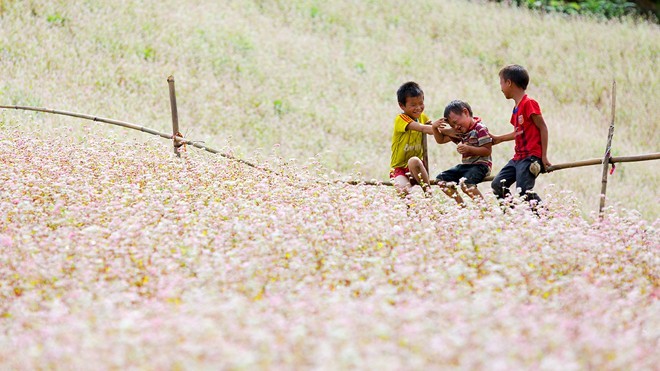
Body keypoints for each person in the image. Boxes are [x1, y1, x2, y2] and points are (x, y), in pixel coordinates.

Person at [490, 64, 551, 207]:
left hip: (530, 157)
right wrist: (499, 139)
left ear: (509, 83)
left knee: (524, 191)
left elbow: (543, 127)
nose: (501, 88)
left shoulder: (529, 103)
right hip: (518, 158)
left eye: (501, 83)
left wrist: (543, 156)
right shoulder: (516, 109)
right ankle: (513, 217)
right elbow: (518, 132)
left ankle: (544, 218)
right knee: (497, 185)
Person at [431, 100, 492, 205]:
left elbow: (487, 151)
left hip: (481, 166)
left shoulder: (479, 129)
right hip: (466, 166)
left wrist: (469, 149)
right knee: (440, 180)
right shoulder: (461, 132)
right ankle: (461, 205)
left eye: (455, 122)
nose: (455, 127)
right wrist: (434, 128)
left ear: (466, 112)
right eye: (452, 125)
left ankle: (484, 208)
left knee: (465, 184)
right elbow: (440, 140)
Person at [389, 81, 439, 195]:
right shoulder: (401, 119)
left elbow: (433, 130)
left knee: (414, 160)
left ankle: (429, 195)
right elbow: (423, 128)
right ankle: (412, 211)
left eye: (421, 103)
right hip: (399, 168)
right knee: (403, 189)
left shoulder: (423, 117)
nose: (418, 108)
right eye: (413, 105)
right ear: (402, 105)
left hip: (416, 167)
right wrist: (435, 128)